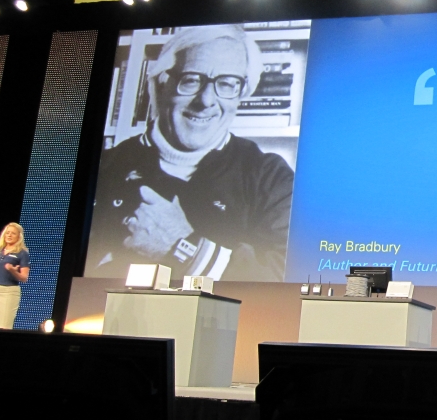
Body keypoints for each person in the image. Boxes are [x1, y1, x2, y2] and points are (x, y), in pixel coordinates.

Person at [87, 25, 294, 282]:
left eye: (227, 84)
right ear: (162, 83)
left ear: (241, 94)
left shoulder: (271, 178)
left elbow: (282, 280)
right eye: (191, 80)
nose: (206, 100)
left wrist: (185, 248)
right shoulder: (102, 168)